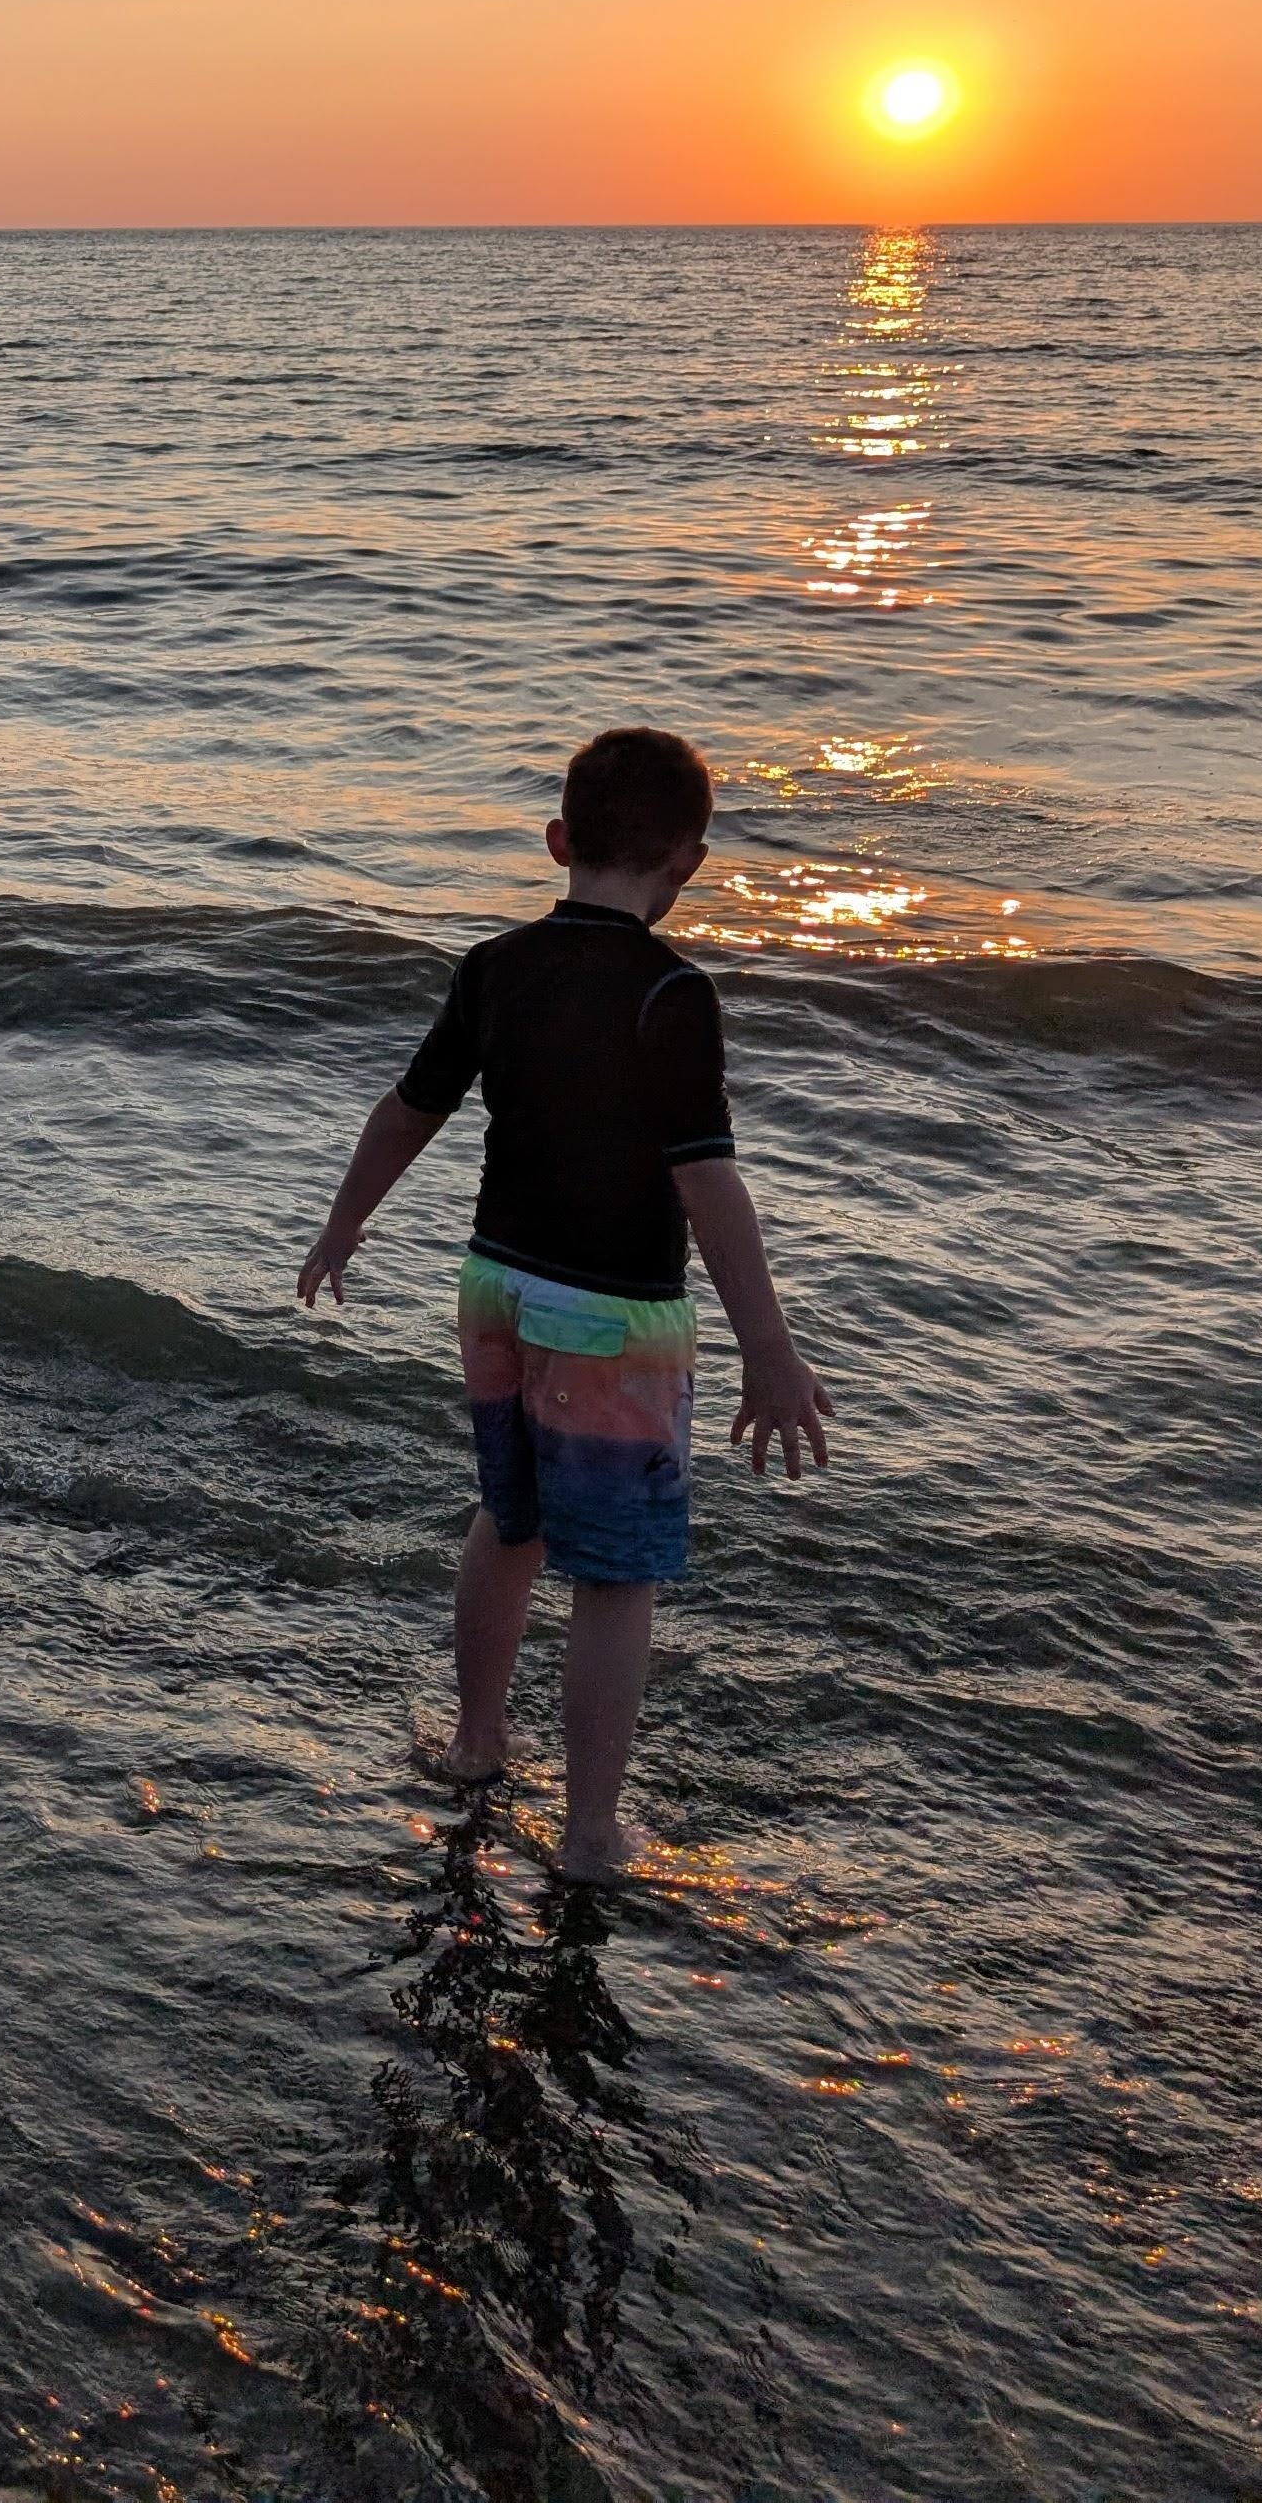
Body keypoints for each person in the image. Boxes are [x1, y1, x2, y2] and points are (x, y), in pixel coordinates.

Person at [297, 727, 833, 1882]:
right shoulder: (673, 994)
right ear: (690, 862)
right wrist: (769, 1349)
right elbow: (707, 1180)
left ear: (557, 842)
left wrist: (344, 1227)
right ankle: (591, 1832)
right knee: (614, 1573)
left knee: (509, 1516)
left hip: (493, 1290)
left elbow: (407, 1110)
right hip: (615, 1316)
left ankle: (478, 1744)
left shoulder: (493, 966)